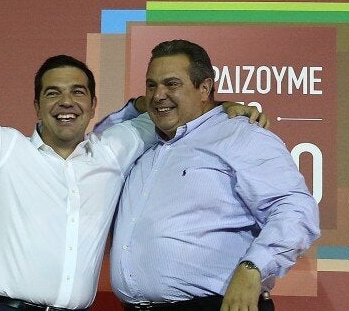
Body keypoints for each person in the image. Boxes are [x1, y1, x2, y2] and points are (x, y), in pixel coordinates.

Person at [0, 0, 267, 310]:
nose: (66, 102)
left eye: (78, 92)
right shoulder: (3, 151)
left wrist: (224, 106)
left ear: (94, 104)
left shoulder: (116, 147)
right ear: (36, 105)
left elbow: (170, 110)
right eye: (53, 93)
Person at [110, 40, 321, 311]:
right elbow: (97, 133)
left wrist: (253, 267)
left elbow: (295, 208)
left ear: (205, 88)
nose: (158, 95)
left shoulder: (241, 134)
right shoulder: (143, 141)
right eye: (152, 85)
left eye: (172, 84)